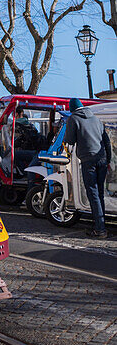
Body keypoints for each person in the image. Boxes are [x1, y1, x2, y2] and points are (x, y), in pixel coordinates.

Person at [64, 98, 112, 239]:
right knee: (100, 193)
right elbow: (107, 141)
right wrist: (107, 160)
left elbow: (70, 140)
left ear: (72, 109)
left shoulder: (73, 119)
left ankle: (100, 230)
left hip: (88, 160)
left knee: (93, 194)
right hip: (102, 158)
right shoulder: (96, 119)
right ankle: (100, 224)